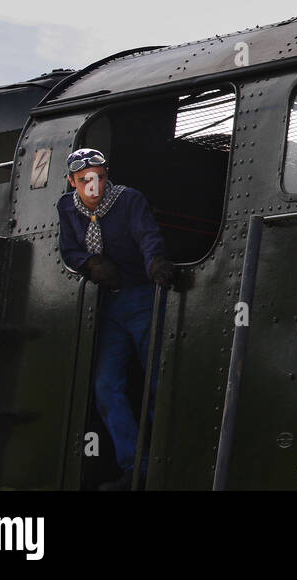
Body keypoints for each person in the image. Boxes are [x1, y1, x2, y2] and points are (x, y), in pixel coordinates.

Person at [57, 148, 175, 490]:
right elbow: (69, 250)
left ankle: (166, 463)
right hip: (109, 306)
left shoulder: (129, 200)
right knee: (106, 386)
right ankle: (133, 467)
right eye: (83, 181)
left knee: (157, 381)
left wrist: (155, 262)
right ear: (72, 182)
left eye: (98, 178)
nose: (92, 187)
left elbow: (147, 235)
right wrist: (91, 265)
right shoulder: (67, 208)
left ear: (106, 176)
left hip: (142, 297)